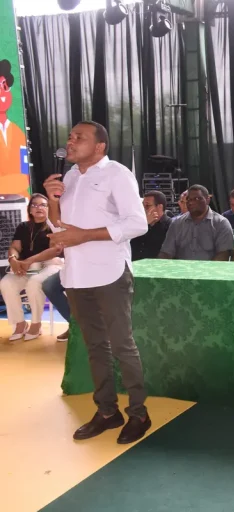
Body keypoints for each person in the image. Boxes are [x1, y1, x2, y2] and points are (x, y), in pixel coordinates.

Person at [43, 121, 151, 443]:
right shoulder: (71, 177)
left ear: (100, 146)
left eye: (79, 137)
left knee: (122, 345)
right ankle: (107, 411)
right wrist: (51, 201)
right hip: (76, 274)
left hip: (110, 273)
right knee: (95, 347)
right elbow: (61, 227)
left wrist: (84, 236)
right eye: (70, 137)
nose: (70, 141)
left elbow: (137, 223)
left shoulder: (117, 174)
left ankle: (139, 414)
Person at [0, 194, 63, 341]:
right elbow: (15, 247)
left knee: (34, 283)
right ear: (29, 209)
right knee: (6, 283)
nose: (38, 208)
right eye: (34, 205)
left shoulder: (54, 227)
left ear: (49, 208)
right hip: (26, 265)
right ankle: (20, 324)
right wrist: (13, 260)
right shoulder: (23, 226)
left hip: (51, 264)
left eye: (43, 205)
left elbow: (55, 250)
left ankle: (36, 324)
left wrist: (29, 260)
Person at [159, 185, 233, 261]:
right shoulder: (176, 223)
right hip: (181, 270)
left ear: (207, 200)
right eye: (188, 199)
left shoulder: (221, 223)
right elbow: (166, 252)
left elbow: (224, 254)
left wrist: (206, 271)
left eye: (197, 199)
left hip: (210, 270)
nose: (191, 202)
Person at [0, 59, 29, 198]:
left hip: (19, 206)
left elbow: (25, 178)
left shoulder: (18, 133)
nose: (2, 94)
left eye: (4, 86)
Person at [131, 191, 172, 261]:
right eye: (142, 206)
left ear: (159, 207)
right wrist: (144, 224)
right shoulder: (138, 224)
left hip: (155, 268)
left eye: (147, 206)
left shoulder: (171, 225)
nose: (143, 209)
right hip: (134, 266)